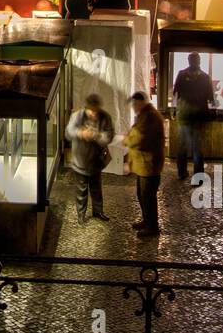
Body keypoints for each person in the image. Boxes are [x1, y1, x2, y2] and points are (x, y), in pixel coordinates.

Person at [65, 92, 114, 224]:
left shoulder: (105, 117)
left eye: (95, 111)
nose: (93, 114)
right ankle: (81, 214)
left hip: (96, 161)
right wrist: (80, 133)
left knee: (96, 188)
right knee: (81, 190)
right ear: (86, 108)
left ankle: (98, 212)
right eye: (91, 111)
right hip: (80, 160)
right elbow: (68, 132)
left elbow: (109, 135)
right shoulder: (77, 116)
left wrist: (97, 136)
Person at [124, 91, 166, 238]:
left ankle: (152, 227)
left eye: (135, 103)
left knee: (148, 196)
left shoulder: (150, 117)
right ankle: (147, 221)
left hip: (149, 165)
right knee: (142, 195)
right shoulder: (144, 115)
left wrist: (126, 140)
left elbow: (139, 139)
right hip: (143, 165)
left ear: (142, 102)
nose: (134, 106)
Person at [173, 52, 215, 179]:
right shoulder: (205, 77)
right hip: (199, 115)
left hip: (184, 115)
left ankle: (181, 172)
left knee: (182, 145)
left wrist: (175, 110)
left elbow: (175, 94)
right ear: (199, 61)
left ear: (189, 61)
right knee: (197, 147)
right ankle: (198, 176)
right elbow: (211, 98)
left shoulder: (181, 74)